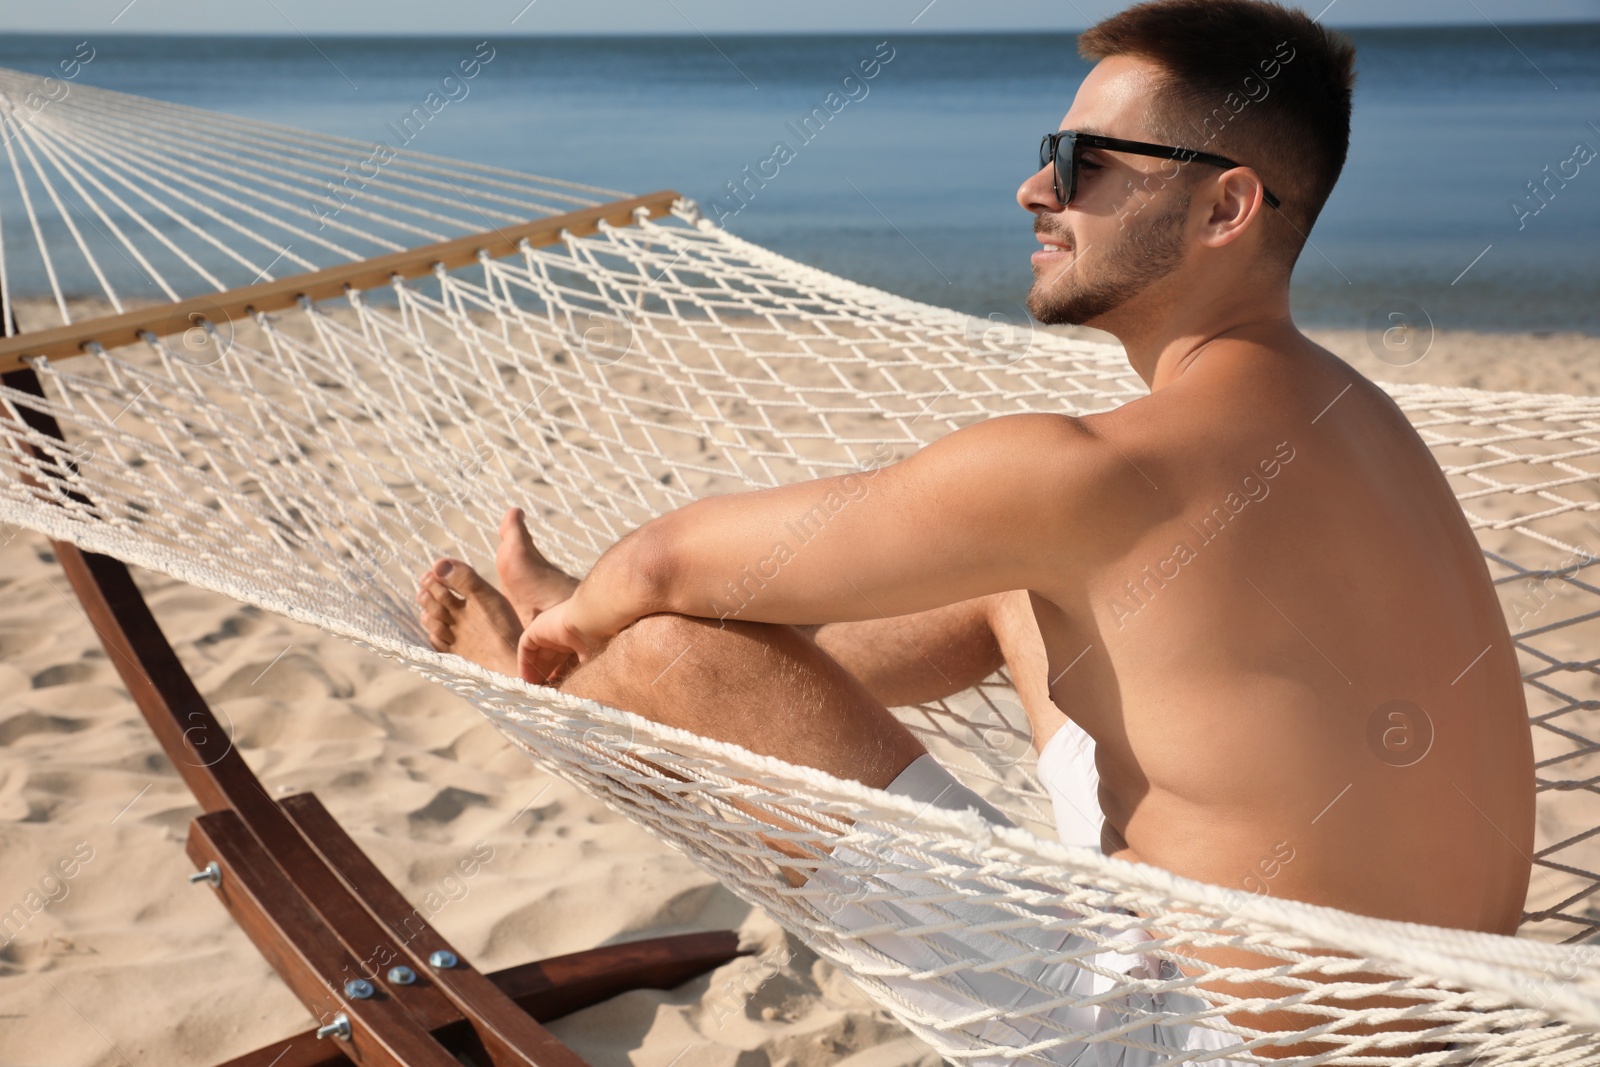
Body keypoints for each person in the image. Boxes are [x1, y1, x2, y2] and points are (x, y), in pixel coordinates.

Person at [418, 0, 1534, 1058]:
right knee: (1015, 580)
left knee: (675, 644)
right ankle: (592, 615)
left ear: (1223, 208)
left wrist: (608, 607)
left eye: (1079, 164)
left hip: (1198, 1041)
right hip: (1442, 1020)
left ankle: (535, 669)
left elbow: (668, 556)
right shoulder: (1361, 417)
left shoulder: (1097, 470)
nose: (1028, 190)